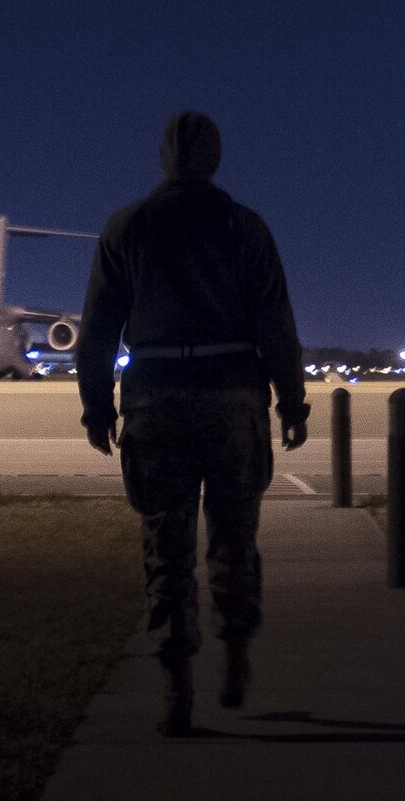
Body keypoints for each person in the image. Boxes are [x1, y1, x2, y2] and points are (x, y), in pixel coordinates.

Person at [76, 111, 309, 736]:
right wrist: (292, 401)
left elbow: (97, 329)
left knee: (166, 545)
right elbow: (276, 324)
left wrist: (97, 405)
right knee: (235, 537)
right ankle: (235, 649)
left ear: (162, 158)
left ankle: (177, 683)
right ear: (215, 158)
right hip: (233, 400)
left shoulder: (128, 228)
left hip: (156, 403)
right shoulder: (244, 227)